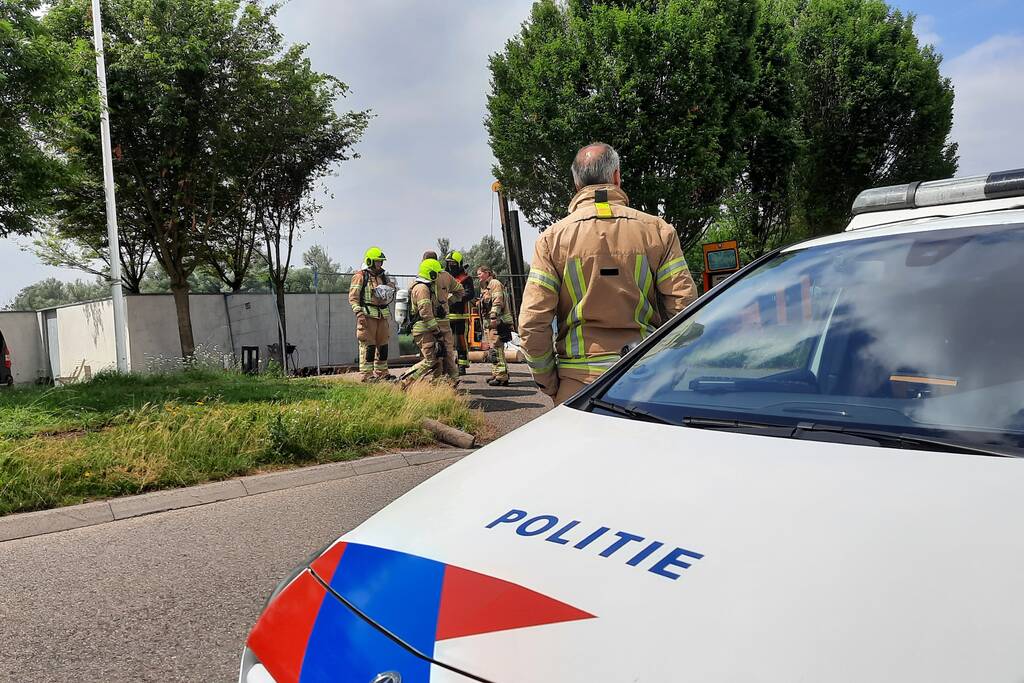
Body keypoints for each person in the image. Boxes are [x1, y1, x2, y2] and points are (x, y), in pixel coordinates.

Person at [518, 142, 698, 404]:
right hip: (646, 379)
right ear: (616, 177)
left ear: (577, 185)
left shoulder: (551, 240)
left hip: (578, 386)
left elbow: (532, 323)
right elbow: (685, 309)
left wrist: (550, 381)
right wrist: (672, 370)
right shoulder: (659, 231)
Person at [348, 246, 396, 382]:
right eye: (377, 261)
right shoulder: (360, 276)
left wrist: (390, 288)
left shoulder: (383, 276)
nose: (380, 264)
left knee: (383, 344)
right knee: (368, 345)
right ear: (370, 261)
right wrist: (359, 314)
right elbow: (353, 298)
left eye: (381, 261)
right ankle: (366, 375)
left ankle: (382, 373)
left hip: (382, 314)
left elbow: (388, 292)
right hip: (367, 315)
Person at [400, 258, 446, 388]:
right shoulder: (422, 289)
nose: (438, 276)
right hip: (424, 328)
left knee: (438, 359)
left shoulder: (425, 287)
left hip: (426, 328)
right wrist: (437, 331)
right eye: (437, 273)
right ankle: (405, 380)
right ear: (431, 273)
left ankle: (436, 387)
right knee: (430, 360)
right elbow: (425, 313)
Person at [422, 250, 463, 383]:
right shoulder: (446, 276)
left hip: (428, 321)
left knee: (432, 353)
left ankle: (436, 381)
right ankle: (453, 379)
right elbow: (460, 291)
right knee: (448, 350)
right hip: (444, 320)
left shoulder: (422, 276)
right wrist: (448, 302)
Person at [477, 265, 513, 386]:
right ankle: (497, 373)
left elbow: (498, 300)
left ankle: (501, 377)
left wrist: (493, 315)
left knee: (496, 349)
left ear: (487, 273)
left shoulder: (494, 284)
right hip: (491, 324)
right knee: (494, 349)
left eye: (480, 273)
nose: (478, 276)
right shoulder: (486, 287)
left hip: (497, 323)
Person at [445, 250, 476, 375]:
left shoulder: (465, 278)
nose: (450, 266)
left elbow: (470, 293)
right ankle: (449, 366)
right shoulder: (444, 277)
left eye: (453, 263)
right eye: (449, 263)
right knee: (446, 342)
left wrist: (456, 298)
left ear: (458, 264)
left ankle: (462, 366)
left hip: (460, 315)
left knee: (460, 341)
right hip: (446, 315)